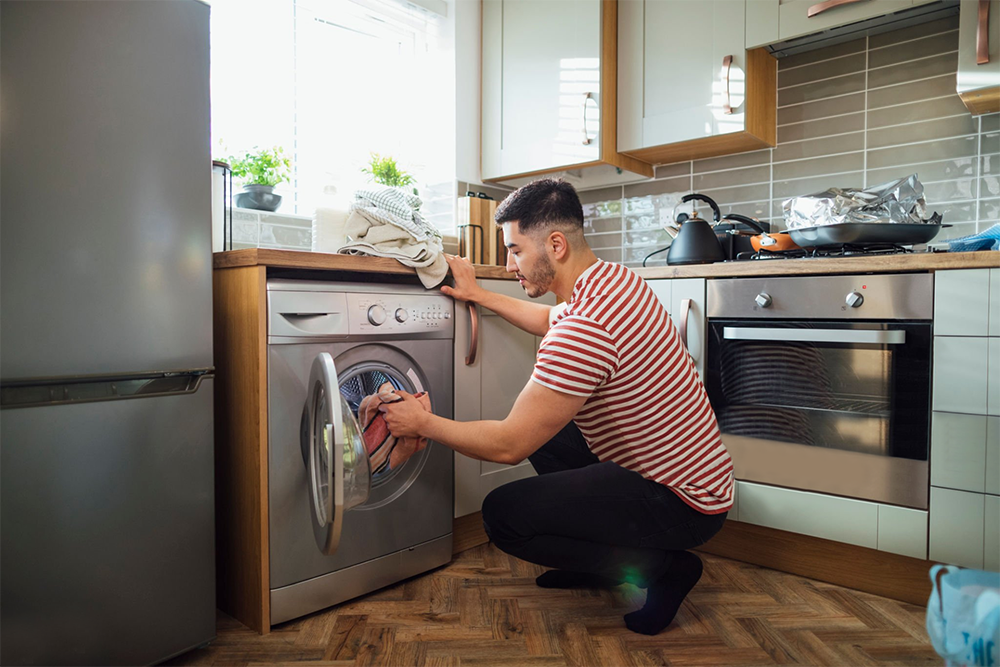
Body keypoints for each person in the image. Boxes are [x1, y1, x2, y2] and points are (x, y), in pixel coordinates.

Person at [379, 178, 733, 635]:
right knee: (550, 437)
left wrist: (422, 421)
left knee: (503, 516)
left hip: (684, 503)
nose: (509, 266)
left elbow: (507, 444)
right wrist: (478, 295)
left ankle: (664, 569)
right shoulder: (613, 281)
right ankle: (605, 561)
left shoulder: (586, 327)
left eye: (515, 250)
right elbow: (549, 318)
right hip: (693, 475)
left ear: (556, 245)